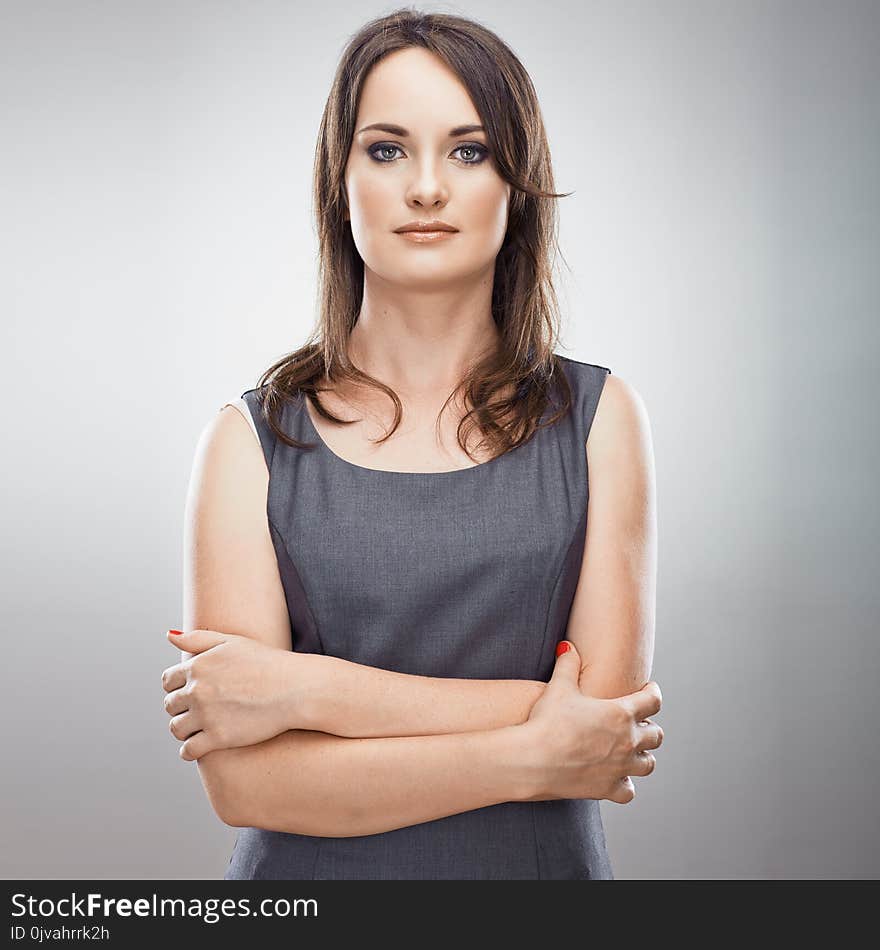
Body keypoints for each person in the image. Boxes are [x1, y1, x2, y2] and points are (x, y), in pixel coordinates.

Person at [161, 8, 662, 880]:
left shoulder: (600, 418)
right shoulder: (246, 442)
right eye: (386, 149)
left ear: (518, 181)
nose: (426, 187)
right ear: (339, 181)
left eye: (468, 151)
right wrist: (531, 745)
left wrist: (305, 691)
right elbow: (248, 790)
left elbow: (602, 733)